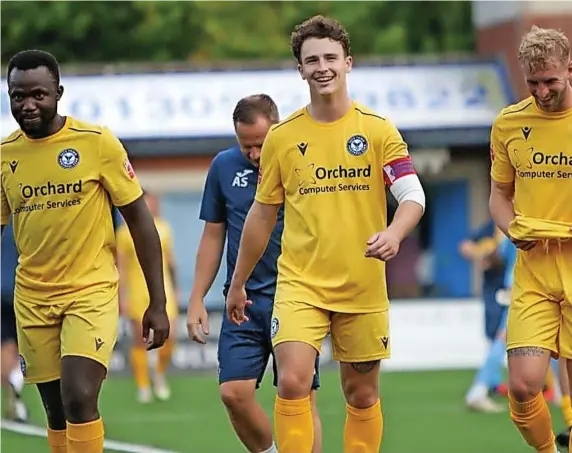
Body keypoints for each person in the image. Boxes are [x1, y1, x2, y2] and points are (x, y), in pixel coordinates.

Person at [226, 16, 425, 453]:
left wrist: (395, 232)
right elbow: (261, 215)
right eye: (311, 59)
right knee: (293, 381)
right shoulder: (282, 137)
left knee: (362, 395)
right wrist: (237, 282)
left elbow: (413, 195)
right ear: (300, 69)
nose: (322, 67)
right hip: (301, 283)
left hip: (362, 283)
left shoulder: (377, 129)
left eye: (330, 57)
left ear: (348, 62)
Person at [0, 50, 169, 453]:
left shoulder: (96, 144)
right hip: (33, 298)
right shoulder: (4, 156)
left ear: (58, 93)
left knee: (79, 395)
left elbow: (141, 221)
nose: (28, 105)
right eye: (17, 96)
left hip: (89, 292)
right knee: (56, 412)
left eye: (38, 95)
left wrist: (158, 302)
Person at [187, 94, 322, 453]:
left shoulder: (301, 160)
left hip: (295, 296)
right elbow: (213, 234)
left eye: (261, 144)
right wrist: (197, 297)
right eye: (245, 145)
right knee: (233, 393)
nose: (254, 154)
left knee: (300, 393)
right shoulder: (223, 167)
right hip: (242, 300)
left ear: (277, 128)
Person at [489, 26, 572, 453]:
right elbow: (498, 196)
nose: (541, 92)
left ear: (569, 69)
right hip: (535, 269)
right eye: (533, 83)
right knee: (523, 386)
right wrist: (511, 228)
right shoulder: (508, 123)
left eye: (550, 82)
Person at [116, 191, 179, 404]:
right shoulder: (124, 233)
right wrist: (121, 296)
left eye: (153, 202)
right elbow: (122, 267)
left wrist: (177, 288)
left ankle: (158, 373)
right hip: (136, 290)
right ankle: (143, 386)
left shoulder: (164, 229)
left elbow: (171, 263)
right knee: (139, 339)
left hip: (163, 289)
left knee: (171, 336)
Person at [460, 221, 507, 411]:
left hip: (512, 289)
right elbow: (466, 247)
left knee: (501, 337)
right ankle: (480, 389)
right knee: (498, 336)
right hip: (499, 290)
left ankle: (487, 386)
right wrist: (484, 254)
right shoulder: (490, 228)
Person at [1, 220, 28, 423]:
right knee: (26, 346)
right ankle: (16, 380)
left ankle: (13, 401)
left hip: (1, 289)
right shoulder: (25, 216)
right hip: (24, 289)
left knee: (6, 344)